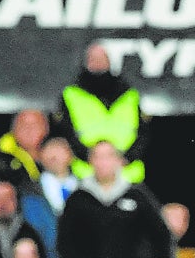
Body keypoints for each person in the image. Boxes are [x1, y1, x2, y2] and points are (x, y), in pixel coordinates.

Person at [57, 141, 176, 258]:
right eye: (98, 156)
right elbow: (65, 241)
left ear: (119, 160)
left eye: (108, 156)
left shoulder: (137, 195)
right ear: (90, 161)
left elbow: (161, 234)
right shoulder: (77, 199)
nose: (103, 162)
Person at [59, 43, 147, 183]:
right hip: (86, 175)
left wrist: (126, 158)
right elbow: (66, 133)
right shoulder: (71, 94)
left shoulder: (130, 94)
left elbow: (143, 133)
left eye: (102, 57)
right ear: (85, 62)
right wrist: (93, 159)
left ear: (111, 61)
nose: (97, 62)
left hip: (128, 175)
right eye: (93, 58)